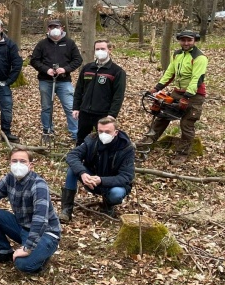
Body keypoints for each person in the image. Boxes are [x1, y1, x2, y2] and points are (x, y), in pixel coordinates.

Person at [0, 146, 61, 274]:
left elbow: (40, 220)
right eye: (14, 161)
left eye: (22, 161)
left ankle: (42, 256)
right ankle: (5, 252)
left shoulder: (38, 185)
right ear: (10, 163)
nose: (18, 164)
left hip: (45, 233)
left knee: (23, 265)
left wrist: (27, 249)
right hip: (22, 227)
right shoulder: (10, 178)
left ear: (31, 165)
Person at [139, 31, 208, 164]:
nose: (186, 43)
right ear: (180, 41)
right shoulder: (177, 54)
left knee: (187, 124)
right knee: (162, 116)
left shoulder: (200, 57)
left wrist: (186, 97)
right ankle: (147, 142)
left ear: (194, 41)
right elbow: (170, 72)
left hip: (194, 95)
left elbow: (197, 79)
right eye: (183, 40)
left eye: (189, 40)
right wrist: (157, 88)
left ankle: (182, 153)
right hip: (177, 91)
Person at [61, 117, 135, 221]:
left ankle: (108, 204)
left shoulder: (126, 148)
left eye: (107, 132)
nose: (103, 134)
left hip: (112, 184)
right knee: (72, 170)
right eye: (100, 131)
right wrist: (83, 173)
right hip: (91, 179)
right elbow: (72, 155)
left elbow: (126, 177)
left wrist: (101, 180)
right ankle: (66, 210)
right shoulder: (91, 140)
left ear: (116, 132)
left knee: (116, 194)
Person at [30, 19, 83, 142]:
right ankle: (47, 131)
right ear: (48, 29)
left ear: (61, 28)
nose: (54, 29)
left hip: (64, 81)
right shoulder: (42, 44)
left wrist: (65, 69)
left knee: (70, 107)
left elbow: (77, 60)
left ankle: (76, 134)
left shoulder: (69, 43)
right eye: (51, 27)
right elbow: (34, 60)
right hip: (46, 80)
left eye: (56, 26)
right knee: (46, 107)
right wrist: (46, 70)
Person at [72, 39, 126, 145]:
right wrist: (76, 107)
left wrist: (112, 114)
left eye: (102, 49)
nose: (99, 51)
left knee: (103, 142)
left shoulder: (117, 71)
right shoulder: (87, 68)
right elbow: (79, 89)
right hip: (85, 112)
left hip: (103, 114)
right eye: (97, 49)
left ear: (109, 50)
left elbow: (118, 95)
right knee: (81, 140)